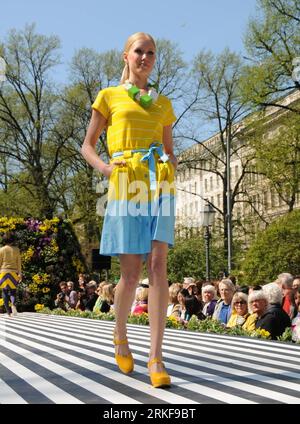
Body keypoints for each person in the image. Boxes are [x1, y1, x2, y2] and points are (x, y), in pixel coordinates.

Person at [81, 32, 177, 388]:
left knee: (159, 264)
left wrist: (170, 166)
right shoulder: (109, 96)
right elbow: (87, 146)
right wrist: (106, 169)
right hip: (126, 182)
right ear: (126, 56)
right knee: (132, 272)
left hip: (159, 183)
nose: (145, 57)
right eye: (139, 51)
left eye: (151, 52)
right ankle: (120, 334)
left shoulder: (163, 103)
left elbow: (168, 148)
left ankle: (156, 356)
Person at [0, 232, 21, 317]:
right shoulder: (16, 249)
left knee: (4, 292)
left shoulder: (1, 249)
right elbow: (19, 263)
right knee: (13, 291)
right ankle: (13, 304)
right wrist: (20, 273)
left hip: (3, 271)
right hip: (14, 272)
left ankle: (8, 313)